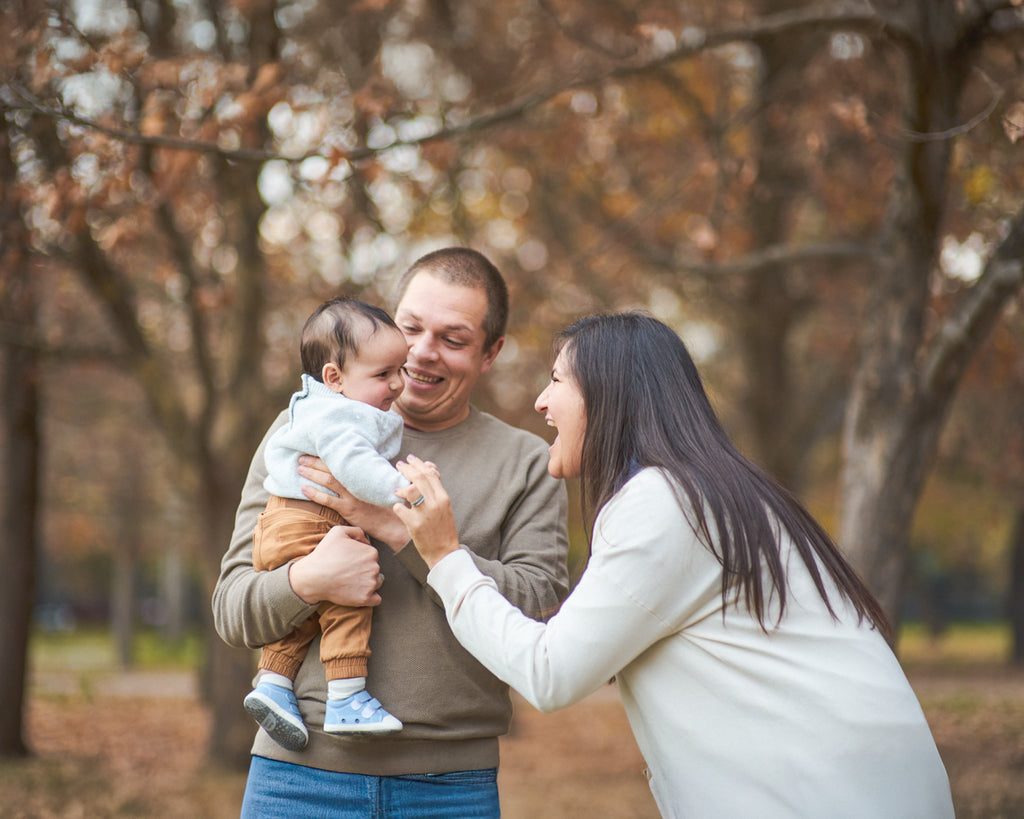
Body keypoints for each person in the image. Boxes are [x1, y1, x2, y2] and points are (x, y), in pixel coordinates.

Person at [393, 312, 956, 819]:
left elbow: (549, 673)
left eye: (557, 380)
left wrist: (444, 556)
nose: (541, 401)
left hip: (828, 796)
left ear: (609, 394)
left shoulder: (663, 503)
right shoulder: (710, 491)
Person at [212, 247, 569, 818]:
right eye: (412, 328)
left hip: (451, 786)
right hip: (295, 778)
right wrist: (307, 581)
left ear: (490, 352)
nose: (423, 352)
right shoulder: (303, 430)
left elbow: (537, 606)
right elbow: (233, 611)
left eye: (453, 339)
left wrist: (401, 532)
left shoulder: (527, 462)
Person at [243, 297, 410, 751]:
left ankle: (273, 684)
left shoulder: (314, 409)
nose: (398, 383)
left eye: (402, 369)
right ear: (334, 378)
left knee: (305, 615)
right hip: (312, 522)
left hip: (280, 524)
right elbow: (356, 467)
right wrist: (404, 491)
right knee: (348, 599)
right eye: (383, 374)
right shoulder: (341, 415)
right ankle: (347, 697)